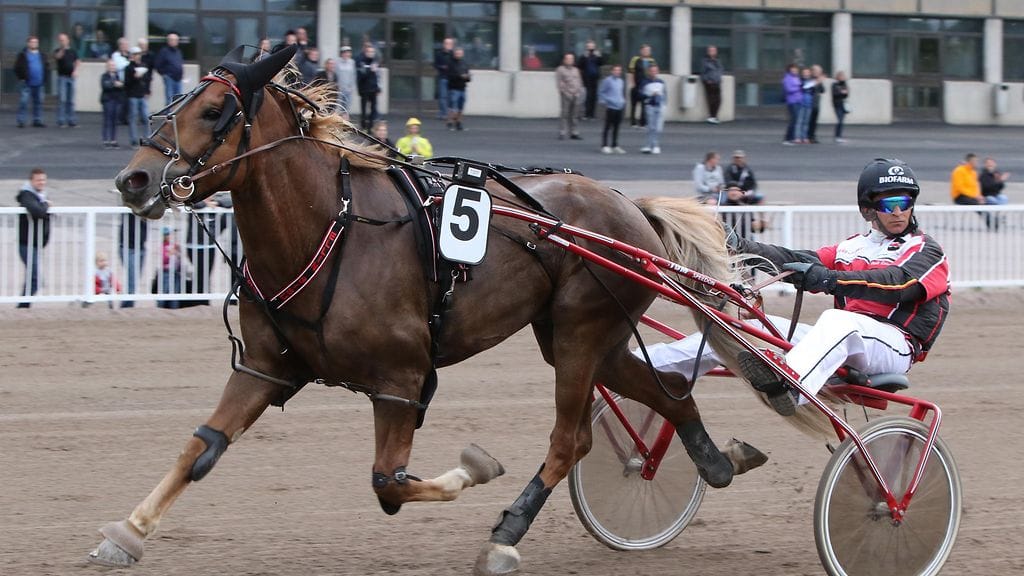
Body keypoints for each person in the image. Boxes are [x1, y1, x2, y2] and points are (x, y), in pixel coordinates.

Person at [640, 159, 950, 417]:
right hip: (845, 339)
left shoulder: (926, 250)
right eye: (888, 202)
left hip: (893, 345)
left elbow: (899, 284)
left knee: (839, 321)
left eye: (904, 201)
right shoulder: (851, 247)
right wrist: (738, 246)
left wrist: (826, 279)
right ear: (869, 208)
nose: (898, 211)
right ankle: (640, 367)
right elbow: (797, 260)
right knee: (738, 327)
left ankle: (791, 388)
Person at [15, 168, 51, 308]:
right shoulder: (27, 195)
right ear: (31, 181)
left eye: (43, 179)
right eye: (38, 180)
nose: (41, 182)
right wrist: (46, 205)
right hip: (27, 243)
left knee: (33, 277)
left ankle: (24, 305)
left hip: (35, 243)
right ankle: (23, 306)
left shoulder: (39, 195)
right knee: (35, 278)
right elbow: (37, 211)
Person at [15, 36, 49, 128]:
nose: (34, 44)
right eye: (32, 42)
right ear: (28, 43)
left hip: (39, 83)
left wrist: (45, 78)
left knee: (38, 102)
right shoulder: (23, 55)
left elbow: (46, 66)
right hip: (27, 83)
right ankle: (21, 121)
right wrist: (21, 77)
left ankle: (37, 120)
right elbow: (17, 67)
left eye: (36, 42)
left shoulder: (42, 55)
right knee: (24, 102)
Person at [124, 47, 153, 149]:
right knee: (133, 118)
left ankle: (147, 139)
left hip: (142, 95)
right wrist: (134, 77)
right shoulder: (129, 68)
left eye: (139, 54)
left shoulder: (144, 66)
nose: (138, 56)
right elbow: (126, 83)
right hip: (133, 95)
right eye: (135, 54)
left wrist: (147, 90)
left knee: (146, 117)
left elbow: (147, 80)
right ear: (132, 56)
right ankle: (134, 140)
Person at [119, 212, 149, 308]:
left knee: (135, 280)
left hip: (141, 247)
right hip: (128, 248)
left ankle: (127, 305)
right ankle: (127, 306)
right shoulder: (130, 205)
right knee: (133, 280)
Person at [598, 64, 626, 154]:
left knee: (616, 127)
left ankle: (615, 145)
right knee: (608, 127)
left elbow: (620, 93)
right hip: (611, 107)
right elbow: (601, 92)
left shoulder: (621, 81)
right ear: (612, 71)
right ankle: (604, 145)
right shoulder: (607, 81)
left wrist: (622, 101)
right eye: (616, 70)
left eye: (619, 70)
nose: (617, 72)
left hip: (619, 107)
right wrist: (608, 100)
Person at [53, 33, 79, 128]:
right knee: (62, 99)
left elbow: (77, 61)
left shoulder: (72, 51)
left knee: (71, 100)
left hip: (71, 78)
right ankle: (61, 120)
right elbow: (58, 57)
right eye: (60, 40)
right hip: (62, 77)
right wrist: (63, 49)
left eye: (64, 40)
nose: (62, 41)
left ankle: (71, 120)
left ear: (68, 40)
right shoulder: (57, 51)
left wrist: (75, 70)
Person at [556, 53, 583, 141]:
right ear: (564, 60)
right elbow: (560, 83)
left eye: (572, 59)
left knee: (575, 115)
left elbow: (579, 81)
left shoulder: (576, 70)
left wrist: (578, 92)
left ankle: (574, 132)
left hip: (576, 95)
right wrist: (566, 93)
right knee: (565, 114)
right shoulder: (560, 70)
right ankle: (562, 132)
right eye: (568, 59)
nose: (570, 60)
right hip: (566, 95)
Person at [628, 44, 656, 128]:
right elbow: (631, 72)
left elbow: (654, 72)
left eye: (648, 50)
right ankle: (633, 122)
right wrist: (632, 84)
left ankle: (643, 122)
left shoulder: (652, 61)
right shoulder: (635, 59)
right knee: (634, 104)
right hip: (637, 84)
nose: (646, 52)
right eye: (645, 50)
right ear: (641, 51)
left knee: (644, 104)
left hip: (646, 86)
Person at [640, 64, 666, 154]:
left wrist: (664, 104)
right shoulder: (645, 82)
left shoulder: (661, 82)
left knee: (658, 127)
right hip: (650, 106)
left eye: (655, 71)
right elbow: (641, 94)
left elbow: (665, 94)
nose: (654, 73)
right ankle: (650, 145)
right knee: (651, 126)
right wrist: (650, 95)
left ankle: (655, 145)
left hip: (659, 105)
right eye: (652, 71)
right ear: (649, 72)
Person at [100, 59, 124, 149]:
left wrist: (118, 85)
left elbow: (121, 86)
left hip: (116, 100)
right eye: (110, 65)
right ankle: (106, 139)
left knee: (114, 121)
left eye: (113, 65)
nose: (112, 67)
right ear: (107, 66)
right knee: (107, 120)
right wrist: (114, 84)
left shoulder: (117, 76)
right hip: (108, 100)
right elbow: (105, 86)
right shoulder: (104, 76)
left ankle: (114, 139)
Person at [577, 40, 603, 121]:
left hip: (595, 78)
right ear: (587, 47)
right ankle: (586, 114)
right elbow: (579, 65)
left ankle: (592, 114)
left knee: (594, 96)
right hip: (586, 78)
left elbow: (601, 63)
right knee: (587, 96)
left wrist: (599, 56)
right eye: (589, 46)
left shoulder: (597, 55)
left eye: (592, 46)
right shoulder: (584, 56)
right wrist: (584, 57)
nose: (590, 48)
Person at [154, 32, 184, 105]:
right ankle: (168, 114)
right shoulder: (164, 51)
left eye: (176, 40)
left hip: (178, 78)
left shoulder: (178, 51)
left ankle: (177, 115)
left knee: (178, 98)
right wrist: (164, 74)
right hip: (169, 78)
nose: (174, 42)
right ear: (168, 41)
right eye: (172, 40)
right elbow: (157, 65)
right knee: (169, 98)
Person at [356, 44, 381, 130]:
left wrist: (378, 87)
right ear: (366, 52)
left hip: (373, 89)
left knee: (373, 108)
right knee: (364, 108)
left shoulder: (375, 62)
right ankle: (363, 124)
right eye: (369, 52)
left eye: (372, 52)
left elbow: (376, 76)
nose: (371, 53)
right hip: (365, 89)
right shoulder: (362, 62)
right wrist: (370, 70)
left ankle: (370, 126)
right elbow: (361, 76)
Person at [157, 226, 182, 310]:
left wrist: (178, 252)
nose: (170, 236)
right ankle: (160, 308)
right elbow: (163, 260)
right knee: (164, 291)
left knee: (175, 293)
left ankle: (174, 309)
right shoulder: (163, 246)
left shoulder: (175, 246)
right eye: (167, 234)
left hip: (176, 272)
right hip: (166, 272)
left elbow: (180, 259)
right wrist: (170, 253)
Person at [446, 47, 471, 131]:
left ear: (462, 54)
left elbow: (468, 77)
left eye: (460, 53)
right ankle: (450, 122)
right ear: (454, 54)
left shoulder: (465, 63)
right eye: (457, 53)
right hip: (453, 88)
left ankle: (458, 123)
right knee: (453, 107)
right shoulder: (451, 63)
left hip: (462, 88)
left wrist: (467, 77)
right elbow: (450, 76)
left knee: (461, 107)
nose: (458, 55)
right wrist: (460, 76)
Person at [700, 45, 724, 124]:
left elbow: (720, 70)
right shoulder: (705, 61)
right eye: (711, 50)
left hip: (717, 82)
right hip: (709, 82)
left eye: (714, 50)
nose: (712, 52)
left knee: (718, 100)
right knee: (711, 100)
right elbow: (703, 72)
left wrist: (719, 78)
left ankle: (714, 116)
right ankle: (711, 116)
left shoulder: (718, 60)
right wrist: (707, 80)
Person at [434, 37, 455, 120]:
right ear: (444, 44)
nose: (448, 45)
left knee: (451, 97)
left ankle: (447, 112)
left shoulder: (454, 54)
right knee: (442, 96)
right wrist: (441, 67)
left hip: (452, 78)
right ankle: (444, 113)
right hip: (443, 77)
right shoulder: (439, 54)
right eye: (446, 43)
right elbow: (435, 64)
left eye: (450, 44)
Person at [782, 64, 801, 145]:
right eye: (793, 69)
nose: (795, 71)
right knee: (793, 120)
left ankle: (792, 137)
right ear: (789, 70)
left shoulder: (797, 77)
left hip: (798, 101)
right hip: (792, 101)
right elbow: (789, 89)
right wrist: (799, 88)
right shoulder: (787, 78)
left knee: (795, 120)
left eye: (796, 69)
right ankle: (787, 138)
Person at [806, 65, 826, 144]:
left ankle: (812, 136)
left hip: (816, 104)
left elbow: (823, 90)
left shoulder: (818, 81)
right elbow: (809, 88)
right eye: (817, 71)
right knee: (808, 121)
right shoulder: (809, 79)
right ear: (813, 71)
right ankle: (807, 136)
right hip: (809, 103)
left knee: (814, 121)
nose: (818, 73)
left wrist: (821, 82)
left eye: (820, 72)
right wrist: (817, 82)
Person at [335, 46, 356, 114]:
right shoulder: (337, 62)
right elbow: (336, 75)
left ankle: (345, 121)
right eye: (345, 53)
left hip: (348, 89)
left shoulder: (352, 62)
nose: (346, 54)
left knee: (347, 106)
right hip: (340, 88)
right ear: (341, 54)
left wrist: (352, 87)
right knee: (340, 106)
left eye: (348, 53)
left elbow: (353, 75)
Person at [831, 70, 850, 143]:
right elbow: (835, 94)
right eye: (841, 76)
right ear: (838, 77)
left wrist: (843, 92)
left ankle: (839, 135)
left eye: (843, 76)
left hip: (843, 104)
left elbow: (846, 94)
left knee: (842, 120)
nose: (842, 77)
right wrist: (842, 92)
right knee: (840, 120)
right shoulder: (834, 84)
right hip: (837, 104)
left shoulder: (844, 84)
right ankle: (837, 136)